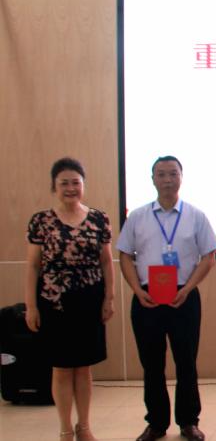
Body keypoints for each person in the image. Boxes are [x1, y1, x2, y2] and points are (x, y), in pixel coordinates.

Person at [117, 156, 216, 441]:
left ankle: (189, 422)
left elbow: (209, 256)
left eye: (173, 174)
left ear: (181, 178)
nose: (167, 180)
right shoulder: (137, 217)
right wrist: (137, 290)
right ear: (153, 179)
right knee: (152, 364)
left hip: (183, 297)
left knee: (186, 362)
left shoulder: (195, 216)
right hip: (147, 298)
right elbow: (124, 255)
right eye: (161, 174)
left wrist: (188, 288)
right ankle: (156, 423)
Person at [25, 157, 115, 441]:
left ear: (83, 185)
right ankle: (65, 428)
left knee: (84, 368)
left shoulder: (99, 219)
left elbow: (106, 262)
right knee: (62, 368)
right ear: (54, 186)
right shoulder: (41, 221)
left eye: (76, 182)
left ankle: (84, 426)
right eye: (64, 183)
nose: (70, 188)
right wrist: (31, 306)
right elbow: (33, 266)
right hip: (54, 301)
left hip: (89, 300)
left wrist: (109, 297)